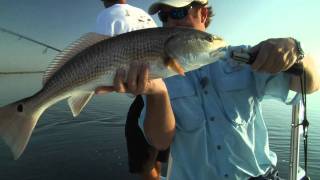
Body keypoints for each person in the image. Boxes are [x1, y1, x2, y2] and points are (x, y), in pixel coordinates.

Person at [96, 0, 320, 179]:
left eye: (179, 13)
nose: (171, 23)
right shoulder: (158, 74)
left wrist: (297, 52)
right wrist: (157, 93)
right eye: (164, 17)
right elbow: (160, 142)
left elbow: (311, 85)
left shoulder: (243, 58)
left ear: (203, 14)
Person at [94, 1, 166, 180]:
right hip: (171, 93)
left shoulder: (108, 15)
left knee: (143, 165)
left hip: (145, 97)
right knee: (158, 150)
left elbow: (99, 57)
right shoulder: (143, 13)